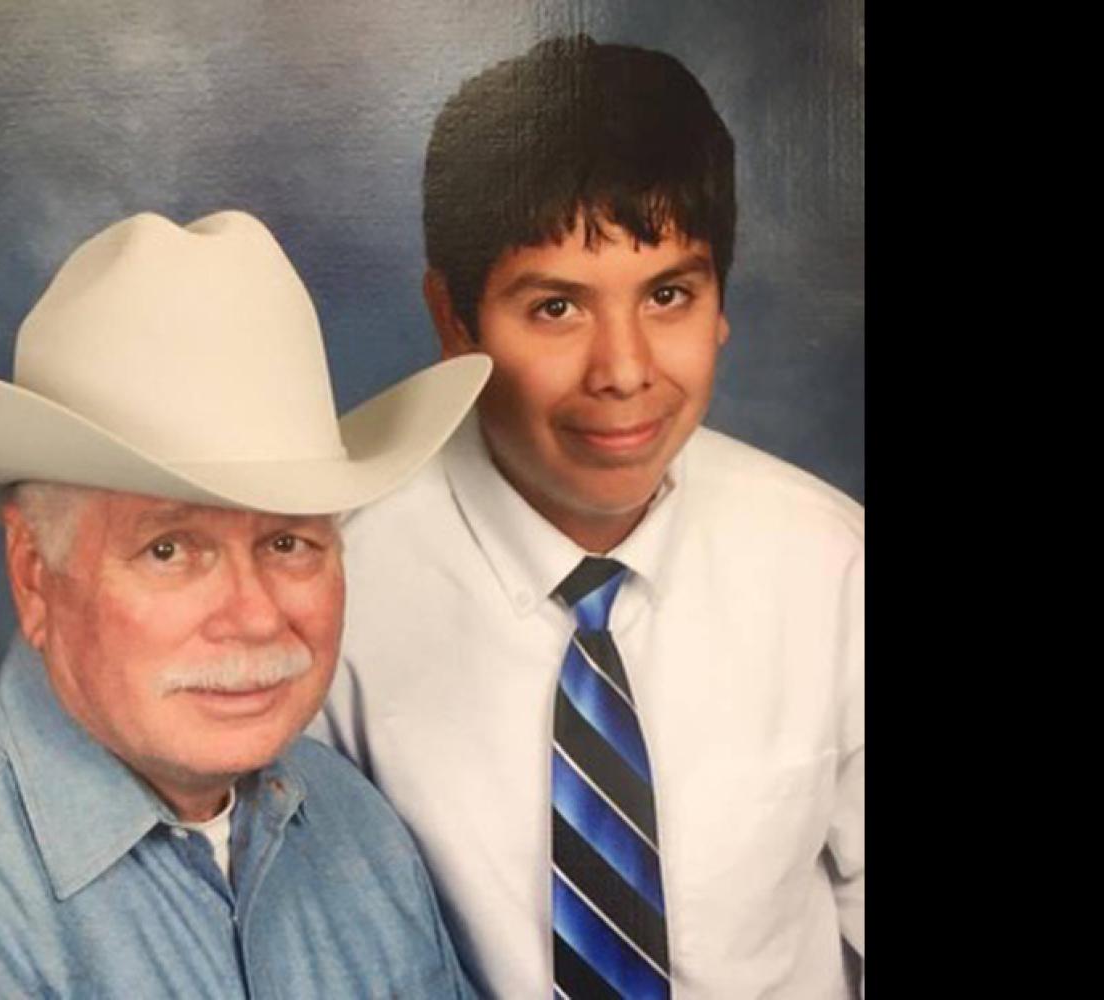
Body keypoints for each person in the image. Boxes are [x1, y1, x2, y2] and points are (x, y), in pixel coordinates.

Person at [315, 36, 865, 998]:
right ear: (454, 322)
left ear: (720, 303)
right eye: (558, 308)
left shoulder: (830, 565)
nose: (624, 370)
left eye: (668, 295)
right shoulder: (335, 588)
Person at [0, 209, 490, 997]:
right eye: (169, 550)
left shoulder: (352, 821)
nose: (255, 616)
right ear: (32, 575)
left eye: (288, 542)